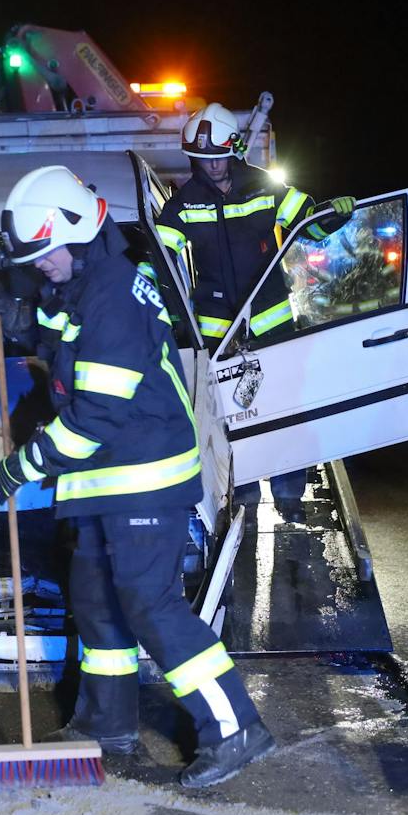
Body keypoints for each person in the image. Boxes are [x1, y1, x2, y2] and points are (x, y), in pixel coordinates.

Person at [0, 165, 277, 789]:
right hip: (103, 480)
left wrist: (26, 464)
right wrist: (25, 318)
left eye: (46, 253)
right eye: (32, 256)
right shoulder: (84, 288)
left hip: (140, 476)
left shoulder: (114, 296)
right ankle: (107, 720)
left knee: (152, 606)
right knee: (96, 602)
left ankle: (236, 728)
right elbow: (68, 356)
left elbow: (94, 415)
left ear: (79, 233)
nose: (41, 265)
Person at [155, 102, 354, 523]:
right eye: (201, 160)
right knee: (235, 419)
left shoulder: (265, 187)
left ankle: (288, 498)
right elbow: (161, 259)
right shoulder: (184, 202)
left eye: (217, 158)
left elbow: (308, 224)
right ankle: (242, 499)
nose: (210, 168)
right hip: (218, 333)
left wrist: (333, 217)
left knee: (283, 411)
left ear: (235, 149)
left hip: (271, 321)